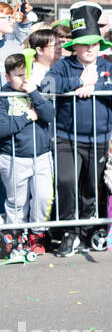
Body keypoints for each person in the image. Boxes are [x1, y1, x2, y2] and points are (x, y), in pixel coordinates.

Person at [42, 3, 112, 256]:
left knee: (90, 188)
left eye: (94, 43)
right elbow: (46, 87)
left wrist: (98, 88)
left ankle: (84, 230)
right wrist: (78, 82)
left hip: (99, 138)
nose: (90, 48)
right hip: (65, 137)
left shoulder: (108, 67)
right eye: (85, 43)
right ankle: (69, 231)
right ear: (75, 46)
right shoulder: (64, 66)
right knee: (66, 181)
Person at [0, 52, 55, 254]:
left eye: (27, 74)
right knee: (17, 201)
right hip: (13, 157)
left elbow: (49, 115)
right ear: (7, 77)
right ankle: (15, 237)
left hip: (41, 156)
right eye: (18, 75)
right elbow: (2, 128)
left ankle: (37, 235)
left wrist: (34, 94)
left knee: (43, 196)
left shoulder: (37, 91)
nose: (24, 79)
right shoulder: (3, 96)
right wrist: (26, 117)